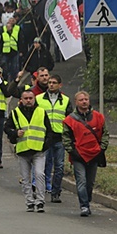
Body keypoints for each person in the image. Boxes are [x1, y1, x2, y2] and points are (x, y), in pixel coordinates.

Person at [5, 89, 53, 212]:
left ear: (34, 99)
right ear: (21, 100)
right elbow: (7, 127)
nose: (28, 101)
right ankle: (29, 202)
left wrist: (45, 145)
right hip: (23, 150)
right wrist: (15, 133)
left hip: (38, 150)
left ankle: (40, 201)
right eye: (25, 98)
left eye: (30, 98)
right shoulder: (15, 112)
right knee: (25, 178)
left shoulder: (41, 112)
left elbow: (49, 131)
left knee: (39, 174)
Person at [62, 91, 108, 217]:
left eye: (86, 99)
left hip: (94, 154)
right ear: (76, 102)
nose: (84, 102)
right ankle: (84, 205)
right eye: (81, 100)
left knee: (90, 183)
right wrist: (72, 151)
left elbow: (105, 134)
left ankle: (87, 200)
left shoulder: (99, 117)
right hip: (78, 156)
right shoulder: (69, 120)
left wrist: (102, 149)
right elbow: (66, 138)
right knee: (81, 181)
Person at [36, 74, 73, 203]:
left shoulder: (66, 100)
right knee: (43, 166)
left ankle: (55, 192)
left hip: (59, 137)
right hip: (45, 137)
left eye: (54, 83)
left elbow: (70, 119)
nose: (51, 84)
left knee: (59, 167)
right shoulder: (39, 99)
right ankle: (40, 190)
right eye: (50, 82)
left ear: (60, 85)